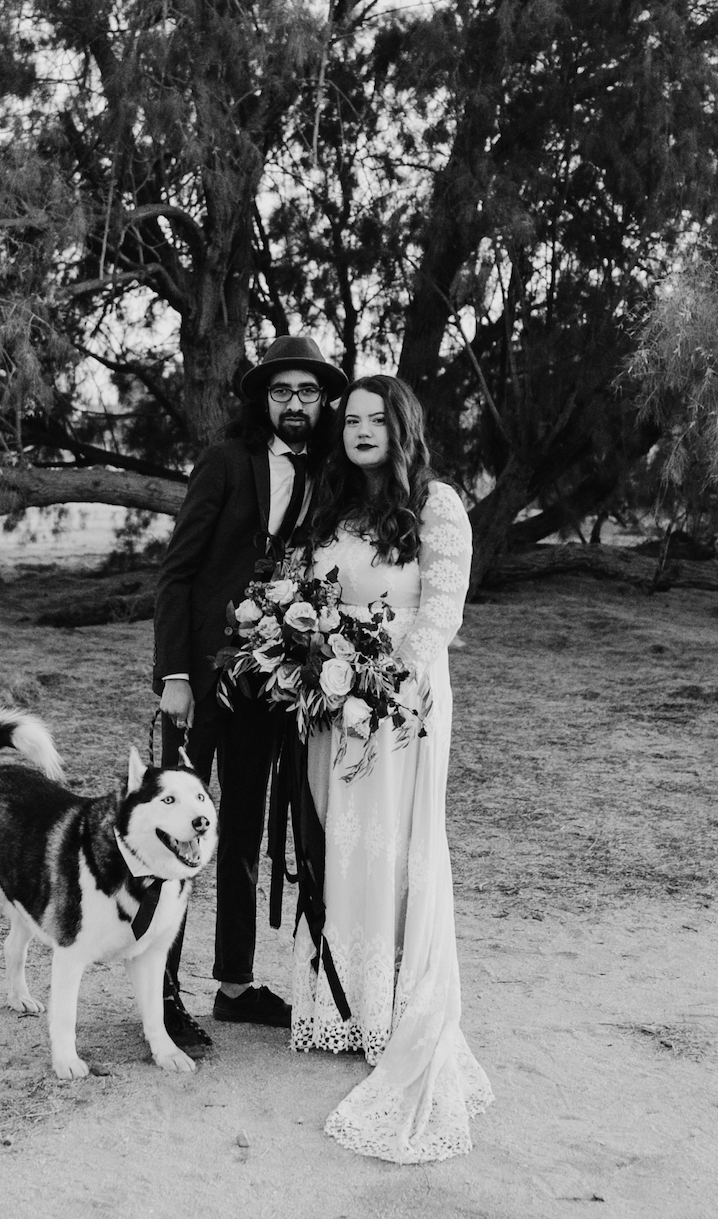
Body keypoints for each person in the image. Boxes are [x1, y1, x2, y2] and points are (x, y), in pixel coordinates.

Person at [287, 373, 494, 1162]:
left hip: (402, 703)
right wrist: (315, 667)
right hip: (333, 704)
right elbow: (310, 597)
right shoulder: (332, 508)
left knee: (395, 845)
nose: (361, 428)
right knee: (338, 841)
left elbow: (441, 614)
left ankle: (391, 1009)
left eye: (377, 418)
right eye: (352, 419)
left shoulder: (437, 506)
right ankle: (342, 1001)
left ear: (402, 426)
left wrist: (380, 686)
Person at [152, 334, 348, 1050]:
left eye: (306, 392)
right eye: (280, 391)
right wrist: (175, 676)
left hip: (268, 683)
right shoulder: (226, 463)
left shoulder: (329, 474)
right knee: (177, 832)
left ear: (322, 399)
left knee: (241, 835)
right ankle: (162, 989)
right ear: (262, 398)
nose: (293, 404)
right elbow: (177, 572)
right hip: (201, 682)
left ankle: (234, 986)